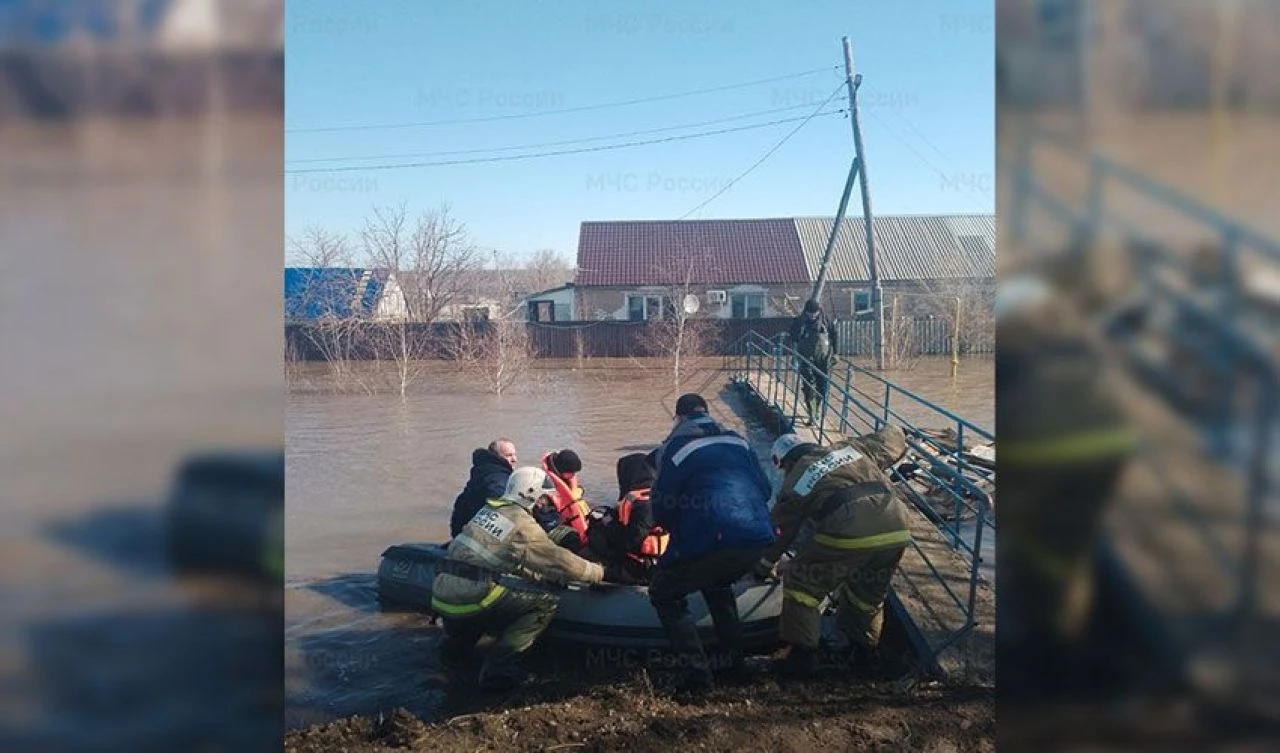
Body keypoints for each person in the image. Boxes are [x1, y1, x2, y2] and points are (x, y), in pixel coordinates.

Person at [996, 273, 1136, 700]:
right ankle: (1055, 637)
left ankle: (1050, 652)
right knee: (1062, 551)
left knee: (1047, 556)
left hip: (1054, 461)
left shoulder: (1021, 356)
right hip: (1099, 455)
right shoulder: (1079, 345)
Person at [753, 427, 913, 677]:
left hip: (850, 524)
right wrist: (902, 433)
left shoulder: (797, 478)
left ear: (784, 462)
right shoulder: (851, 448)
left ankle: (802, 656)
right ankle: (863, 653)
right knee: (867, 593)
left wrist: (763, 565)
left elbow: (782, 530)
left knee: (802, 582)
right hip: (897, 524)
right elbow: (891, 441)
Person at [431, 466, 606, 690]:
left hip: (443, 594)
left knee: (476, 606)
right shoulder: (522, 524)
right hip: (471, 597)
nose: (544, 503)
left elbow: (510, 560)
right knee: (544, 602)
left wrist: (536, 576)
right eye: (543, 497)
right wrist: (599, 572)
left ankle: (453, 653)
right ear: (530, 493)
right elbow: (560, 560)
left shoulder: (488, 511)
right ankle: (499, 668)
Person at [647, 393, 776, 694]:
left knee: (664, 593)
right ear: (705, 413)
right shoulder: (740, 442)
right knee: (718, 585)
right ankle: (735, 664)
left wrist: (674, 528)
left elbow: (662, 508)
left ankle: (697, 678)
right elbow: (766, 490)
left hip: (717, 536)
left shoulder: (674, 448)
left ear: (678, 418)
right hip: (758, 536)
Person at [584, 453, 669, 584]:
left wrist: (609, 523)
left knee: (584, 555)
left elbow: (630, 543)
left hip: (640, 569)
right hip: (647, 561)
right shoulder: (658, 495)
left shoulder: (645, 506)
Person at [449, 438, 517, 538]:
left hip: (465, 533)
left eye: (514, 454)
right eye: (508, 455)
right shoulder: (498, 477)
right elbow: (501, 501)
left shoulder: (482, 471)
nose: (514, 459)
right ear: (496, 457)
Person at [789, 299, 839, 425]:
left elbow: (834, 335)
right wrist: (794, 357)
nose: (812, 316)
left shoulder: (826, 319)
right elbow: (793, 338)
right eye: (809, 313)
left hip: (823, 358)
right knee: (808, 386)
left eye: (814, 313)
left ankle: (817, 408)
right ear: (805, 312)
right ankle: (811, 414)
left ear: (818, 311)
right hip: (805, 358)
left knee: (822, 386)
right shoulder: (799, 322)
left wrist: (836, 353)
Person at [541, 449, 591, 551]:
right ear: (561, 470)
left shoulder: (565, 479)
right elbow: (547, 518)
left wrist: (579, 491)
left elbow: (574, 492)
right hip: (556, 523)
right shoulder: (545, 487)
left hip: (574, 517)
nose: (573, 475)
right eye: (570, 472)